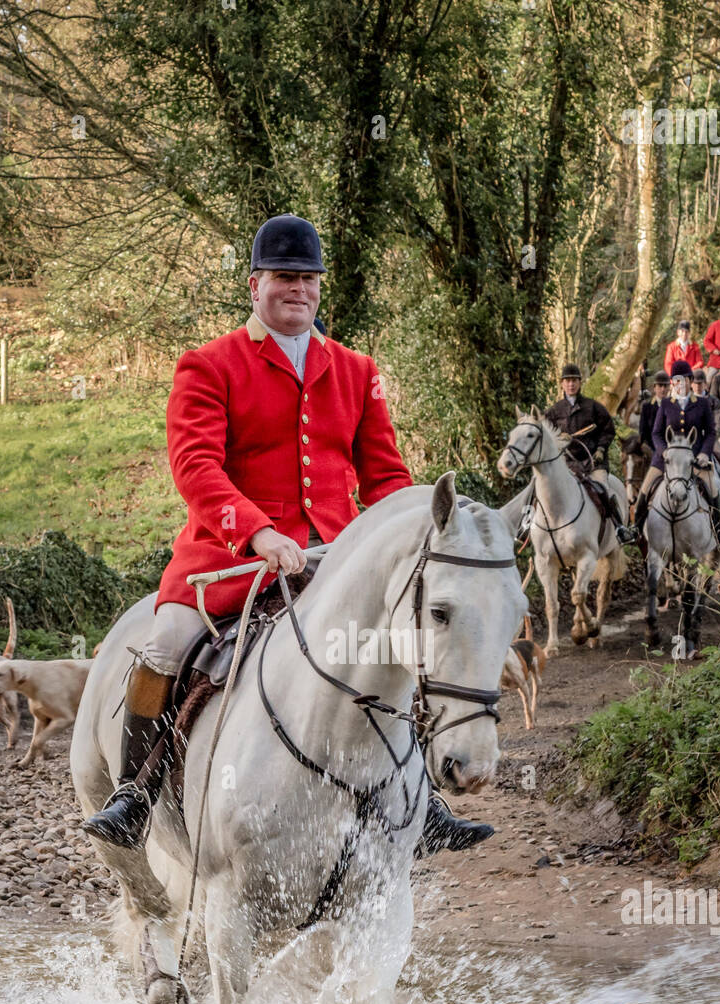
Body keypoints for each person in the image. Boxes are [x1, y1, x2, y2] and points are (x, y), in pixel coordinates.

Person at [82, 214, 492, 856]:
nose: (297, 288)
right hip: (224, 564)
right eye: (283, 277)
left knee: (402, 649)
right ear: (254, 284)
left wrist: (418, 539)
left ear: (320, 287)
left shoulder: (357, 371)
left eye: (308, 278)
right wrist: (258, 534)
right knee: (164, 647)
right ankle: (136, 790)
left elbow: (385, 476)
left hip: (336, 560)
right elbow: (196, 467)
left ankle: (422, 800)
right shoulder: (209, 365)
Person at [629, 361, 720, 549]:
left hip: (695, 458)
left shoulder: (702, 404)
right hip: (666, 459)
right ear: (673, 383)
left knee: (712, 488)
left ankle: (719, 529)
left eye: (684, 380)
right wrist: (664, 452)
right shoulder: (665, 404)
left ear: (689, 381)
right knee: (645, 490)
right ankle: (635, 529)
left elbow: (711, 432)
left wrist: (704, 453)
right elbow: (656, 433)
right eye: (676, 380)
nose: (680, 384)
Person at [544, 364, 633, 544]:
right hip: (567, 464)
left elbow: (608, 430)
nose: (571, 384)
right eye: (568, 381)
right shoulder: (554, 412)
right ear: (562, 384)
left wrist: (600, 449)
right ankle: (530, 525)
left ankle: (619, 528)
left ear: (580, 383)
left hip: (593, 462)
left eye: (574, 381)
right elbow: (545, 437)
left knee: (603, 490)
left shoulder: (594, 407)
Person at [639, 369, 670, 451]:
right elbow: (643, 432)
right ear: (654, 387)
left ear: (669, 387)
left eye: (665, 386)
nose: (663, 389)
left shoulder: (674, 406)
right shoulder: (647, 407)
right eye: (660, 386)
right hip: (652, 449)